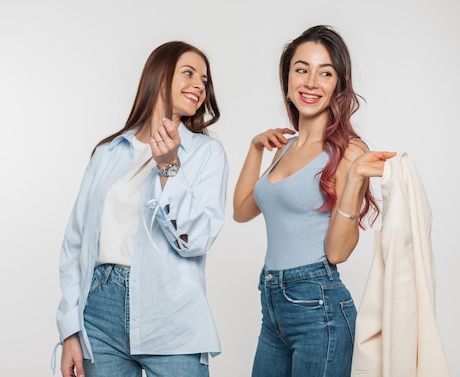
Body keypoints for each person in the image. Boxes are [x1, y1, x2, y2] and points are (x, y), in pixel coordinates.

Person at [56, 41, 228, 377]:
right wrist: (70, 330)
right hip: (99, 315)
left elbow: (194, 240)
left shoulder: (207, 154)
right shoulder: (108, 153)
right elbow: (74, 246)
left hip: (172, 314)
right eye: (189, 73)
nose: (199, 86)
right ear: (158, 76)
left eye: (204, 81)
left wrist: (169, 169)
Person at [233, 25, 395, 377]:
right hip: (272, 305)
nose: (311, 82)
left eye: (325, 73)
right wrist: (255, 148)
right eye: (301, 69)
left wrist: (353, 181)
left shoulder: (349, 151)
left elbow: (337, 252)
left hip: (319, 308)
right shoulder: (285, 145)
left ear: (338, 85)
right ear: (287, 78)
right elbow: (242, 210)